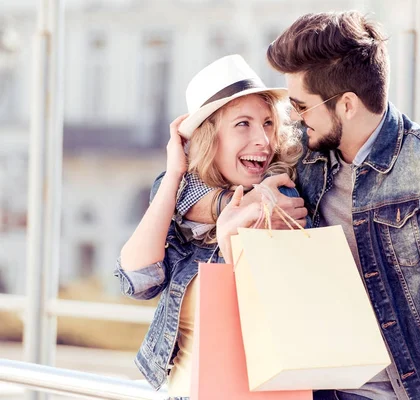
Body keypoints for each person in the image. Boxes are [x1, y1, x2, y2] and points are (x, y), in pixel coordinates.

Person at [175, 11, 420, 400]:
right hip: (313, 391)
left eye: (303, 106)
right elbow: (191, 187)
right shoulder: (302, 156)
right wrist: (241, 202)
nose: (296, 119)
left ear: (347, 105)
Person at [114, 54, 304, 398]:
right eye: (243, 124)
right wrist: (173, 173)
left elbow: (270, 319)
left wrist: (232, 238)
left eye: (267, 123)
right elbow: (137, 280)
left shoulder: (280, 198)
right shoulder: (184, 201)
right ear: (209, 138)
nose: (262, 139)